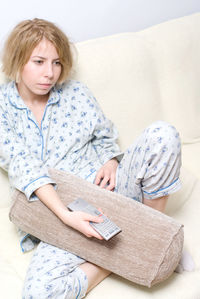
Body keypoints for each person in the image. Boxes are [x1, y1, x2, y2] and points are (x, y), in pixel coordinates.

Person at [0, 18, 183, 298]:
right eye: (39, 62)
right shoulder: (3, 108)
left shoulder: (75, 93)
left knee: (163, 134)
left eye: (57, 63)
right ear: (17, 59)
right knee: (38, 293)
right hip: (57, 212)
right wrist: (66, 216)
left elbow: (104, 136)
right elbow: (23, 165)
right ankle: (125, 257)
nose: (49, 73)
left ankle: (153, 234)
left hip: (110, 190)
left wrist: (111, 159)